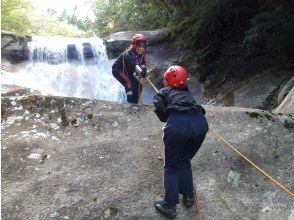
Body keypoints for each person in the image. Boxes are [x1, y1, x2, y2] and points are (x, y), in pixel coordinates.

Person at [153, 65, 209, 219]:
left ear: (169, 80)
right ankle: (188, 196)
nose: (164, 82)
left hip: (178, 125)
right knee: (184, 160)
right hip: (200, 123)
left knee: (171, 166)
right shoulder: (188, 93)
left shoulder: (163, 92)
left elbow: (162, 115)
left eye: (165, 79)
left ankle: (169, 205)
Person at [112, 33, 148, 103]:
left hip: (128, 72)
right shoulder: (128, 54)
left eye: (143, 47)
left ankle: (135, 103)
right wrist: (141, 72)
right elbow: (136, 65)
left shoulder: (142, 54)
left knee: (139, 86)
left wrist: (144, 70)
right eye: (139, 46)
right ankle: (130, 105)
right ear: (134, 45)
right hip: (118, 70)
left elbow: (142, 63)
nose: (141, 48)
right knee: (129, 85)